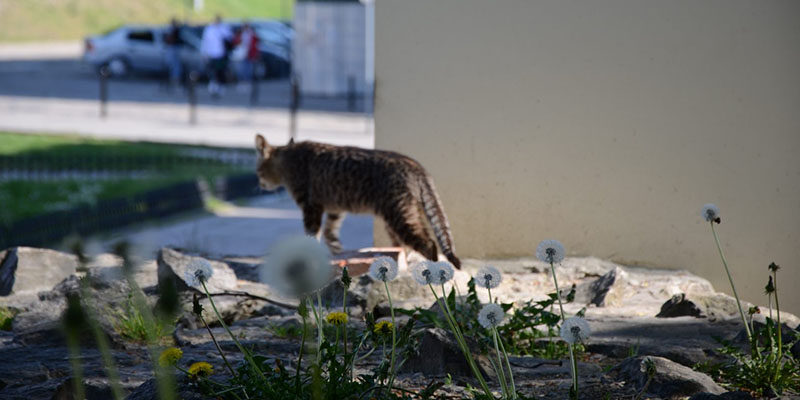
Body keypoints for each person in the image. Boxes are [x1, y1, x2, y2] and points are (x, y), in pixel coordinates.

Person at [201, 15, 233, 97]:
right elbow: (205, 42)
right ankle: (213, 85)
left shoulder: (223, 29)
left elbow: (229, 37)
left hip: (220, 54)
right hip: (212, 54)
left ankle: (221, 86)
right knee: (212, 71)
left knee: (220, 71)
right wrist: (204, 52)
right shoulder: (209, 29)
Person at [232, 21, 260, 92]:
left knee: (248, 70)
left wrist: (255, 54)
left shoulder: (252, 34)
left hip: (249, 55)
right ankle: (241, 83)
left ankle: (247, 82)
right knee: (240, 70)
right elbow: (235, 42)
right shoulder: (240, 34)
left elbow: (256, 44)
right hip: (241, 55)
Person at [163, 18, 183, 90]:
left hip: (173, 48)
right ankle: (173, 79)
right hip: (172, 48)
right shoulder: (171, 30)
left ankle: (174, 79)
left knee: (175, 65)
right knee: (172, 64)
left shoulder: (175, 30)